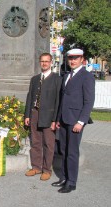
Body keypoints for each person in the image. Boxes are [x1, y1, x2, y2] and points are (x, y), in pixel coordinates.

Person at [52, 48, 95, 193]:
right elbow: (63, 100)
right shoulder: (66, 76)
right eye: (70, 58)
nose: (72, 61)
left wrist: (81, 122)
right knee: (63, 150)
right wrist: (58, 119)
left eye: (76, 58)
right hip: (63, 119)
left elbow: (89, 101)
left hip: (76, 121)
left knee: (72, 152)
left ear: (82, 59)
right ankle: (64, 177)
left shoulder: (86, 76)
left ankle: (71, 182)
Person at [24, 53, 62, 181]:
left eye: (46, 61)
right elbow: (30, 97)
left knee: (48, 144)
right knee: (35, 142)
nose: (44, 63)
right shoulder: (34, 79)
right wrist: (27, 115)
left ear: (51, 62)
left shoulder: (57, 79)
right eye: (42, 61)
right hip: (34, 113)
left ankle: (46, 169)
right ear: (39, 62)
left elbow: (58, 100)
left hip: (49, 116)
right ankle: (36, 167)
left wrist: (55, 120)